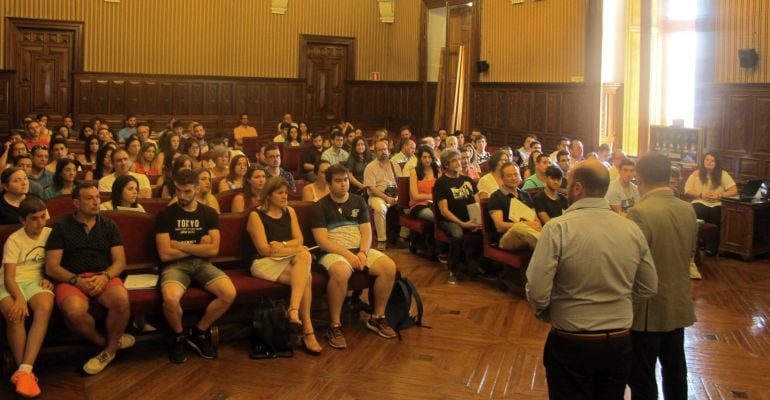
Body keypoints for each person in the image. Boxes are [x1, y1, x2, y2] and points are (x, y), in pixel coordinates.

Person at [525, 160, 658, 399]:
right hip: (619, 340)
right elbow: (649, 286)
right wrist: (620, 303)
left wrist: (545, 310)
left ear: (577, 188)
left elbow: (537, 291)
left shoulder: (557, 228)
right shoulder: (630, 229)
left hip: (572, 339)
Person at [626, 152, 698, 400]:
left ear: (639, 176)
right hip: (678, 302)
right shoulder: (688, 209)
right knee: (676, 370)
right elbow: (690, 253)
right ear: (669, 176)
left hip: (648, 309)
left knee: (642, 375)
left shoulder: (639, 212)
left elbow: (632, 263)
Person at [45, 182, 134, 375]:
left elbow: (120, 262)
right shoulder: (61, 227)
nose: (96, 202)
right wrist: (77, 281)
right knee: (73, 311)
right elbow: (52, 267)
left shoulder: (109, 225)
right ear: (76, 202)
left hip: (103, 274)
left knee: (121, 299)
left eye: (97, 198)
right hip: (72, 278)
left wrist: (105, 276)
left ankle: (108, 352)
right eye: (89, 198)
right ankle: (107, 343)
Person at [310, 164, 397, 349]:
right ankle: (335, 325)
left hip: (359, 249)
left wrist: (363, 252)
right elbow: (322, 240)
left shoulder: (359, 201)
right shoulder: (319, 206)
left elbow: (366, 232)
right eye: (338, 181)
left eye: (346, 180)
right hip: (332, 252)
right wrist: (349, 256)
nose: (343, 184)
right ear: (329, 183)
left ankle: (377, 317)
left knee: (388, 267)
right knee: (340, 271)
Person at [155, 169, 236, 363]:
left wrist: (180, 245)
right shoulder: (165, 215)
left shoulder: (208, 213)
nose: (181, 196)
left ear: (197, 189)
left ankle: (198, 332)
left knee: (229, 293)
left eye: (187, 191)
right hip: (175, 266)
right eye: (178, 191)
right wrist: (200, 246)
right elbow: (165, 254)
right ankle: (178, 336)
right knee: (170, 300)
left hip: (202, 264)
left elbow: (213, 251)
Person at [247, 177, 322, 354]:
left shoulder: (290, 211)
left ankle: (294, 310)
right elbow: (264, 249)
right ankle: (308, 331)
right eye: (280, 193)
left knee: (304, 259)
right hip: (262, 262)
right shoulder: (256, 215)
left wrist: (284, 246)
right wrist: (294, 249)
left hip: (285, 257)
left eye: (286, 193)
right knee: (306, 275)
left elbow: (299, 239)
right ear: (269, 195)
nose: (284, 196)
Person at [1, 197, 54, 398]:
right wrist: (19, 298)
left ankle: (24, 370)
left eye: (43, 217)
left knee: (44, 307)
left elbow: (56, 263)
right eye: (34, 219)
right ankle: (25, 371)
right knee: (15, 313)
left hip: (37, 281)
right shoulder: (14, 239)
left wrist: (50, 279)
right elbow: (9, 277)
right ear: (23, 221)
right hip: (12, 282)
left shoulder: (51, 234)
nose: (40, 223)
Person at [433, 149, 482, 284]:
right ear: (446, 165)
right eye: (454, 160)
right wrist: (462, 223)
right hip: (449, 220)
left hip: (470, 217)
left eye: (459, 159)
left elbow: (477, 202)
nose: (459, 162)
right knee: (457, 234)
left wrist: (478, 221)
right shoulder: (441, 183)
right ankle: (453, 270)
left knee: (486, 231)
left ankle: (479, 265)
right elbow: (444, 211)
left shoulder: (468, 180)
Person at [487, 163, 541, 251]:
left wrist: (534, 225)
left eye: (516, 174)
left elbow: (536, 221)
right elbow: (499, 227)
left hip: (528, 234)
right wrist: (524, 224)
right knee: (518, 227)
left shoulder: (525, 195)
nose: (513, 178)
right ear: (502, 178)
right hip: (506, 238)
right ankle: (546, 244)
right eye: (509, 176)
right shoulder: (496, 197)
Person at [364, 138, 403, 250]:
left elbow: (401, 183)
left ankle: (403, 237)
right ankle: (382, 240)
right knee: (380, 209)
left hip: (394, 194)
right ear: (375, 152)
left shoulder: (394, 165)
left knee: (409, 204)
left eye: (385, 149)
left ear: (389, 151)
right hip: (378, 196)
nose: (383, 152)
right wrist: (386, 198)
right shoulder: (370, 167)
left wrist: (398, 196)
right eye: (380, 150)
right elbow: (371, 189)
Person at [684, 151, 737, 232]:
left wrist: (720, 195)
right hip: (700, 200)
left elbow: (734, 190)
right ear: (703, 161)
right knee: (700, 210)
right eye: (707, 159)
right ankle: (699, 240)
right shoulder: (696, 173)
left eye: (712, 161)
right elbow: (687, 190)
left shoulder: (723, 174)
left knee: (716, 214)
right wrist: (701, 195)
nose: (709, 162)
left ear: (716, 163)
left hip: (717, 203)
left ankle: (713, 242)